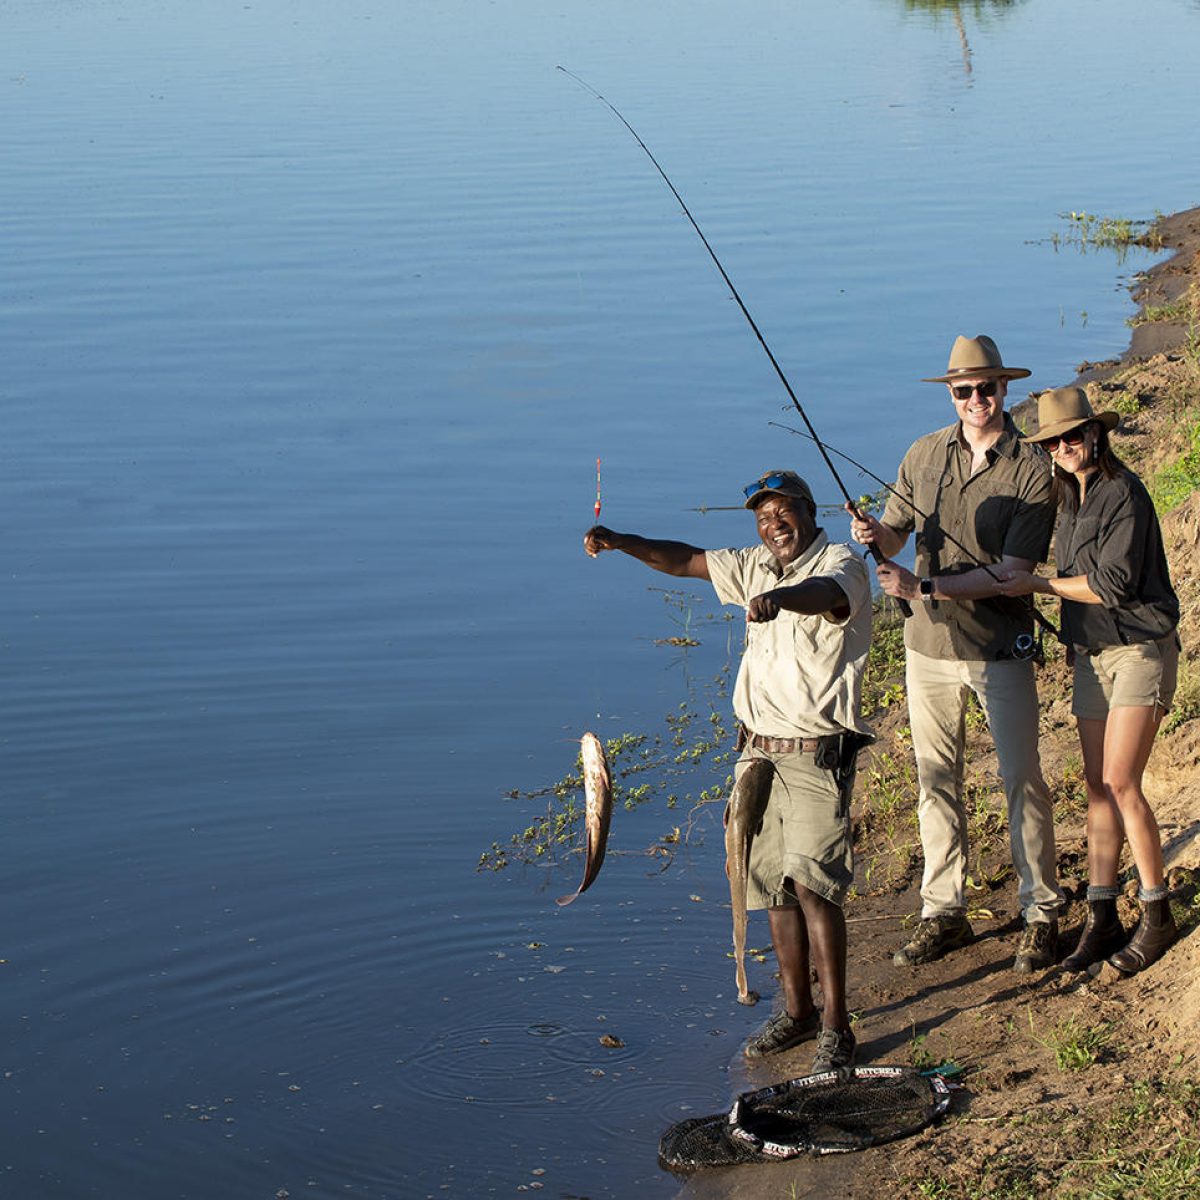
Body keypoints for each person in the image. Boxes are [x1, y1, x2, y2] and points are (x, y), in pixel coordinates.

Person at [584, 471, 873, 1070]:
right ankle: (796, 1014)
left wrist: (781, 599)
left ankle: (837, 1028)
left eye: (784, 513)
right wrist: (620, 541)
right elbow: (685, 560)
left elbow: (826, 595)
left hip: (816, 751)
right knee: (769, 885)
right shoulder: (752, 564)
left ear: (809, 512)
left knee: (814, 885)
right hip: (756, 753)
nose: (774, 526)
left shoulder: (841, 560)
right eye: (764, 519)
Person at [848, 334, 1064, 973]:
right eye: (964, 390)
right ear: (951, 393)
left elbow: (1017, 570)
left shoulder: (1032, 469)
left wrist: (926, 586)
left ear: (1006, 389)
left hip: (999, 648)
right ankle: (944, 910)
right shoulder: (922, 453)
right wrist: (876, 535)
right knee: (934, 780)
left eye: (987, 388)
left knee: (1021, 778)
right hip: (927, 646)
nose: (977, 399)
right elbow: (895, 531)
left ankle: (1040, 911)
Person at [996, 387, 1181, 975]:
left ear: (1096, 433)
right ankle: (1103, 917)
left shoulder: (1124, 492)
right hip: (1094, 656)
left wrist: (1039, 586)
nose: (1064, 447)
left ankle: (1157, 915)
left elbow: (1112, 585)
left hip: (1140, 651)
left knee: (1123, 782)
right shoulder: (1069, 496)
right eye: (1053, 441)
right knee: (1095, 786)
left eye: (1073, 436)